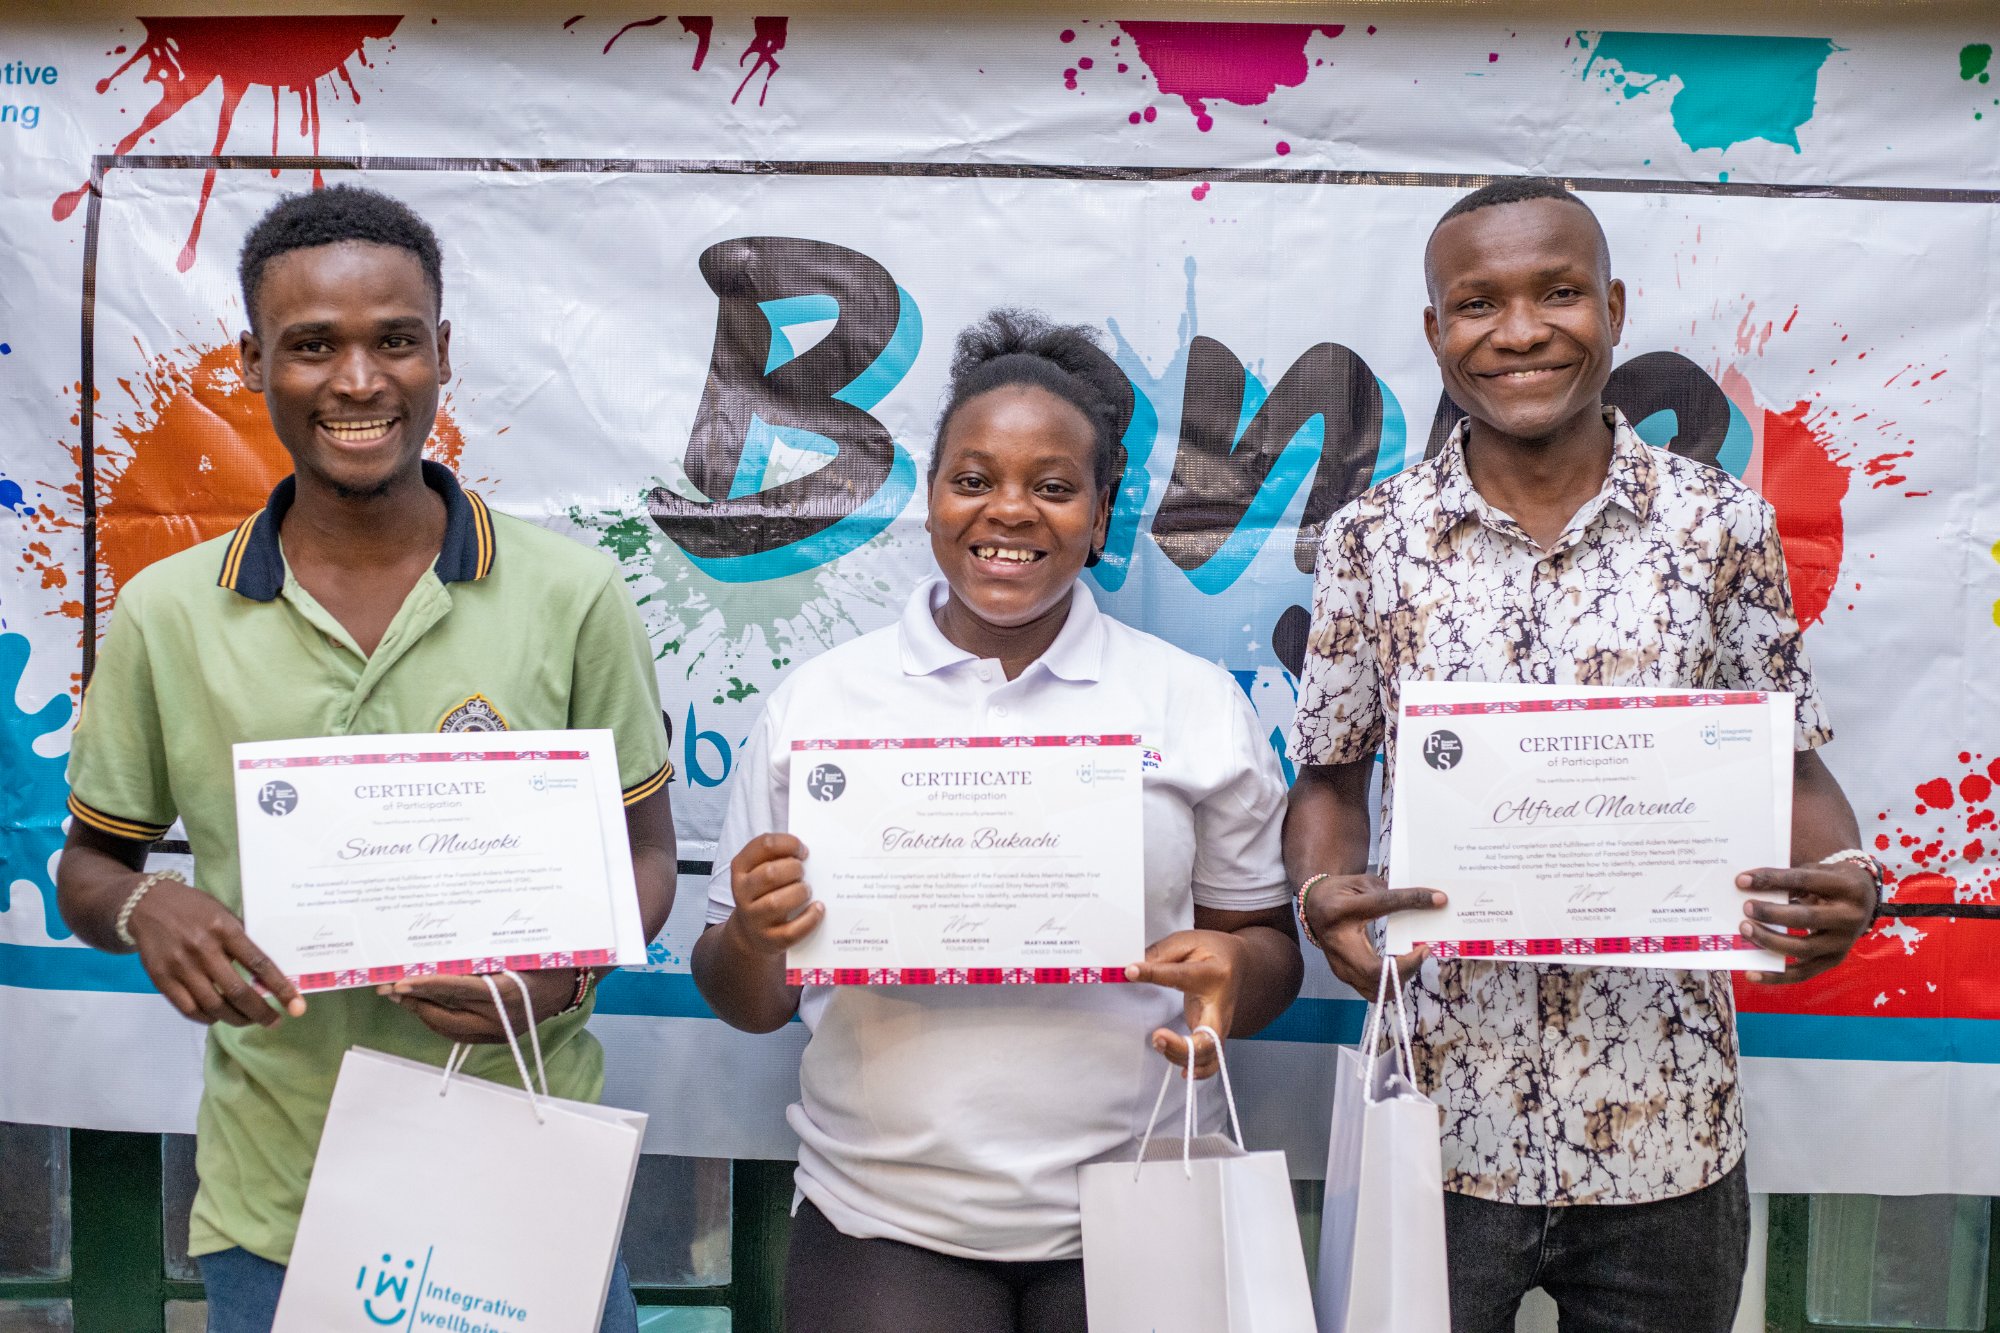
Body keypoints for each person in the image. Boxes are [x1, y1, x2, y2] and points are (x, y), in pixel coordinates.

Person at [55, 185, 677, 1333]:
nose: (357, 381)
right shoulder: (164, 615)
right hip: (278, 1206)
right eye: (311, 347)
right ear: (251, 363)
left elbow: (641, 854)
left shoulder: (570, 593)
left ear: (441, 353)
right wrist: (149, 903)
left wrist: (566, 978)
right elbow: (89, 867)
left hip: (523, 1179)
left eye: (394, 340)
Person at [1286, 177, 1880, 1333]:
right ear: (1433, 331)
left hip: (1667, 1125)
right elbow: (1327, 776)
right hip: (1437, 1116)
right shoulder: (1374, 541)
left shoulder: (1720, 527)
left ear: (1610, 305)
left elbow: (1785, 761)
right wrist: (1320, 894)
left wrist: (1847, 872)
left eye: (1555, 292)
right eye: (1476, 303)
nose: (1517, 331)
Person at [691, 309, 1304, 1333]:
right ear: (930, 499)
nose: (1006, 512)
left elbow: (1265, 953)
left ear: (1101, 512)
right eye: (971, 479)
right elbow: (745, 999)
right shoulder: (821, 705)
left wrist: (1234, 978)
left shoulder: (1190, 704)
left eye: (1052, 487)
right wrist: (753, 933)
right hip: (882, 1219)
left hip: (1143, 1203)